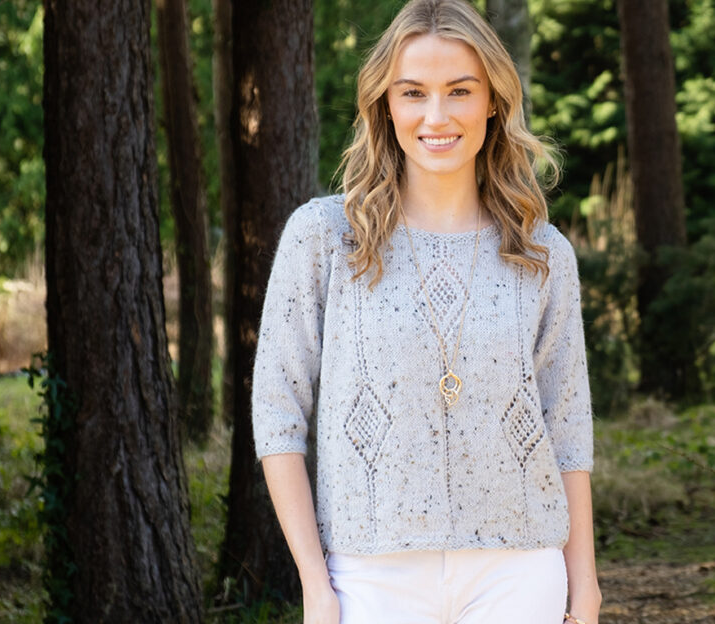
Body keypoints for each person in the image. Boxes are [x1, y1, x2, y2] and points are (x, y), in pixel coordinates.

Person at [251, 1, 601, 622]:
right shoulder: (326, 238)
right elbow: (278, 416)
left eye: (459, 91)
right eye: (413, 92)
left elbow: (566, 426)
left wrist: (587, 584)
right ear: (385, 103)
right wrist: (313, 582)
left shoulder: (543, 252)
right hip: (368, 572)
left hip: (519, 570)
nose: (436, 116)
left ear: (493, 100)